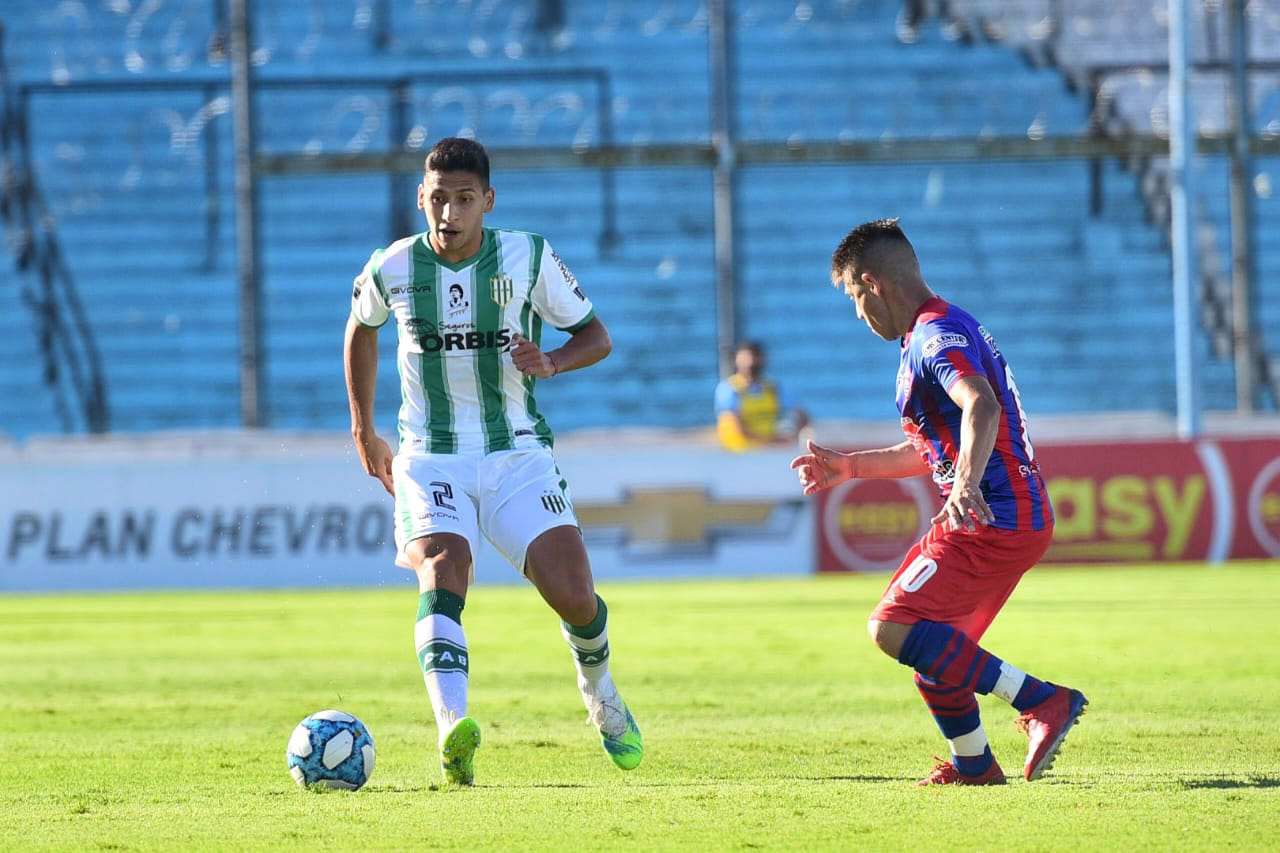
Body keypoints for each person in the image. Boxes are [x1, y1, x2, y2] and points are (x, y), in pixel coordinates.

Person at [343, 137, 642, 786]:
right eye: (438, 198)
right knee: (445, 567)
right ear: (421, 197)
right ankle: (453, 728)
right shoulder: (394, 266)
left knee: (575, 595)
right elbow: (360, 327)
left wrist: (554, 360)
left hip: (516, 453)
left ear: (488, 202)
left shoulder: (527, 256)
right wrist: (364, 429)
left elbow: (596, 334)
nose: (449, 213)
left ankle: (603, 696)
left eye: (464, 199)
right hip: (431, 455)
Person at [790, 218, 1086, 786]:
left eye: (854, 296)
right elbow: (930, 446)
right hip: (1008, 511)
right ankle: (974, 764)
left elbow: (981, 406)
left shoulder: (933, 336)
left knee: (893, 626)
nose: (857, 313)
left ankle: (1042, 701)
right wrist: (852, 467)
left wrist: (967, 484)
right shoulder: (935, 332)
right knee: (936, 650)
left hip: (991, 512)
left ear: (873, 283)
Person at [714, 341, 810, 452]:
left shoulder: (773, 387)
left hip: (768, 451)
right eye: (746, 358)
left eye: (755, 357)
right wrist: (772, 441)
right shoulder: (729, 389)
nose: (751, 362)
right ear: (736, 360)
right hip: (738, 453)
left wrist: (792, 436)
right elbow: (735, 426)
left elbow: (802, 416)